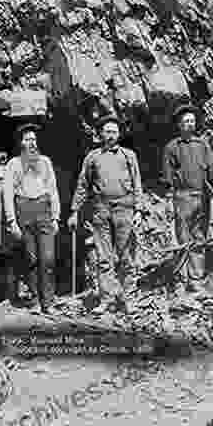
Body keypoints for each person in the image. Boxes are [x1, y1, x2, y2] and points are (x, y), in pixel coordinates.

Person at [67, 115, 145, 313]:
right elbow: (83, 185)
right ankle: (107, 299)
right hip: (101, 210)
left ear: (119, 134)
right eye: (107, 131)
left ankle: (128, 298)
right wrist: (74, 211)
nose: (110, 135)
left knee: (126, 256)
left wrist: (139, 210)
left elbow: (137, 184)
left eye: (114, 132)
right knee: (103, 257)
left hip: (124, 209)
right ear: (100, 134)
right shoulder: (92, 157)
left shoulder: (129, 156)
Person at [163, 104, 213, 292]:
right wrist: (168, 199)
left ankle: (195, 280)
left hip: (202, 197)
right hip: (182, 197)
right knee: (183, 237)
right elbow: (167, 176)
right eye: (185, 122)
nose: (189, 124)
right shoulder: (172, 147)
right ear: (179, 125)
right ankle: (180, 280)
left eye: (192, 121)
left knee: (199, 237)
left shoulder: (202, 145)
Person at [3, 123, 61, 315]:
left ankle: (49, 302)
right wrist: (11, 221)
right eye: (28, 139)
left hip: (44, 210)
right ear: (21, 143)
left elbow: (52, 189)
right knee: (31, 259)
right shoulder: (13, 164)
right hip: (24, 210)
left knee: (48, 259)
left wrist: (56, 217)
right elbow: (8, 193)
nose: (32, 143)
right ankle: (36, 301)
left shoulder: (45, 162)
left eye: (34, 139)